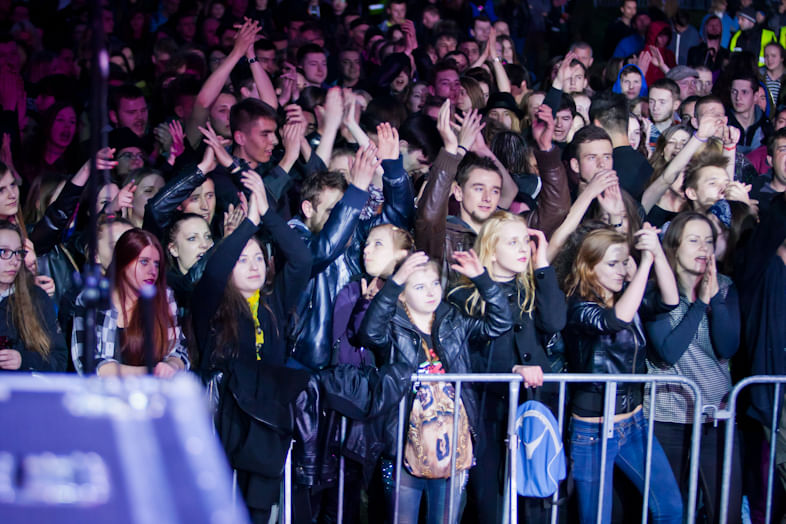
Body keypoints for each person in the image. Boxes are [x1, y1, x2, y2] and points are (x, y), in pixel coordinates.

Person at [357, 249, 512, 524]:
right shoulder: (393, 325)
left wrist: (483, 280)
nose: (430, 291)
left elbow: (500, 322)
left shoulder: (454, 321)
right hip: (403, 440)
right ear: (403, 295)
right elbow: (369, 333)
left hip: (452, 440)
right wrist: (395, 282)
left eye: (434, 283)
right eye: (419, 286)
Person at [449, 211, 567, 523]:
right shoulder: (464, 294)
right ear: (490, 248)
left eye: (525, 241)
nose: (523, 248)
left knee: (535, 499)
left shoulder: (530, 287)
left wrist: (542, 267)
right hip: (490, 410)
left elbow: (555, 321)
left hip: (532, 408)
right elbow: (470, 352)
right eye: (512, 242)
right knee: (492, 502)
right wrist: (511, 370)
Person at [563, 226, 683, 524]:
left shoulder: (627, 298)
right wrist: (642, 266)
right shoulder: (578, 306)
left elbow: (671, 300)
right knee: (596, 519)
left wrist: (654, 254)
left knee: (671, 509)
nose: (620, 270)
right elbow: (614, 321)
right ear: (589, 267)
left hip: (634, 422)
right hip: (593, 430)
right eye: (612, 263)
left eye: (623, 261)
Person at [646, 211, 742, 523]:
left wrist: (714, 300)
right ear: (674, 247)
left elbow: (727, 347)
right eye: (694, 240)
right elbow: (667, 352)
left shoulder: (725, 287)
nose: (704, 248)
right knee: (671, 512)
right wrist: (699, 304)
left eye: (709, 241)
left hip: (716, 417)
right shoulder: (656, 290)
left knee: (724, 511)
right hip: (666, 417)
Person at [71, 228, 189, 376]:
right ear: (123, 262)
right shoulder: (94, 299)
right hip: (105, 395)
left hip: (154, 394)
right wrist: (150, 373)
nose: (152, 271)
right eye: (144, 262)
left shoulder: (164, 296)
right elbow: (88, 364)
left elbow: (179, 350)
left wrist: (171, 365)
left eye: (157, 264)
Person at [0, 221, 67, 372]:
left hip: (21, 391)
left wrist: (24, 360)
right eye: (3, 252)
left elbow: (59, 361)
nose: (14, 261)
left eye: (18, 253)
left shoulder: (37, 297)